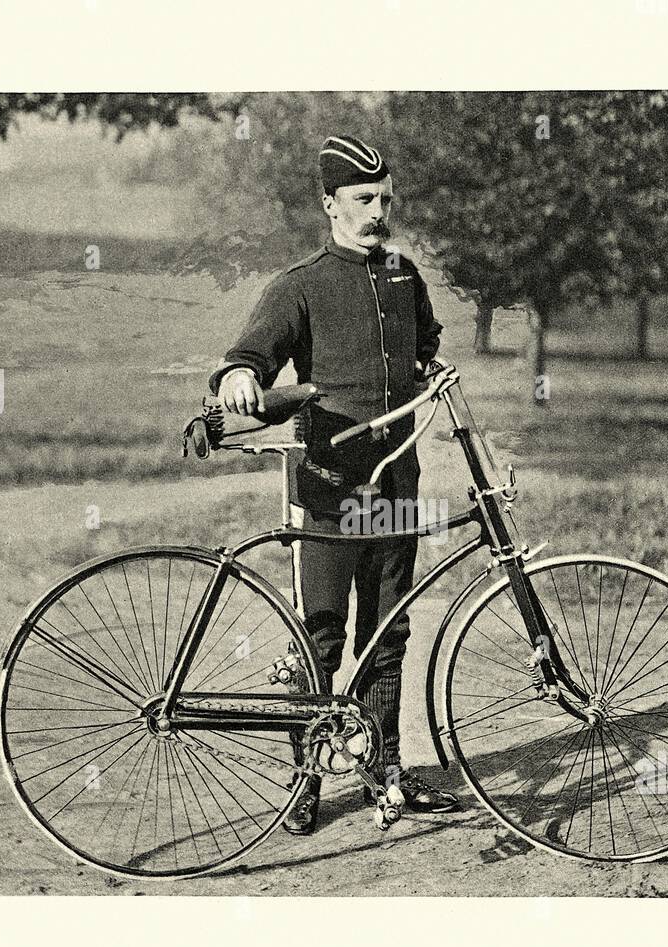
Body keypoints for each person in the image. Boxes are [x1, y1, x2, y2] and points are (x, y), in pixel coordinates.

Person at [208, 133, 459, 835]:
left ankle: (387, 771)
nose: (377, 212)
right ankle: (305, 780)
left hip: (394, 486)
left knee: (388, 633)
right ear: (330, 204)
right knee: (319, 636)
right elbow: (249, 355)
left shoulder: (406, 277)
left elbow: (424, 347)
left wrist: (427, 372)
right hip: (326, 488)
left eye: (385, 199)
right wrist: (238, 378)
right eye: (362, 200)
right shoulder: (301, 285)